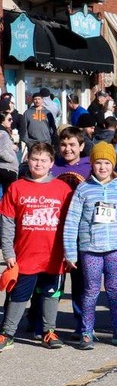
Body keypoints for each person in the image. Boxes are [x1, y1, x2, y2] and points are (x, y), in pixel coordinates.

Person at [63, 141, 117, 349]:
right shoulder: (83, 189)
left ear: (113, 165)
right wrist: (70, 252)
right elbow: (72, 222)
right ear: (92, 164)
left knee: (114, 290)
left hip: (116, 248)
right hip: (90, 250)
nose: (102, 167)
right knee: (90, 290)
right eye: (98, 163)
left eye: (106, 163)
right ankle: (86, 332)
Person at [0, 142, 73, 351]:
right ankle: (7, 333)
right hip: (24, 255)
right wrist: (8, 252)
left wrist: (69, 252)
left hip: (53, 256)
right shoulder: (16, 187)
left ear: (51, 163)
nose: (38, 164)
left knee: (51, 293)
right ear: (28, 160)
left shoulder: (63, 189)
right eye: (34, 159)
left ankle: (49, 331)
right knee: (18, 295)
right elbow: (7, 222)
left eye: (43, 160)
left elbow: (71, 224)